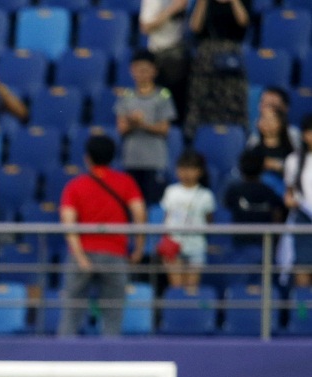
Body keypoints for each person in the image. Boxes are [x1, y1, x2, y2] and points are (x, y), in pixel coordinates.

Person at [58, 135, 146, 336]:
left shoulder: (75, 186)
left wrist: (80, 257)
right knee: (113, 314)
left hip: (82, 254)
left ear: (87, 158)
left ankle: (63, 358)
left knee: (71, 313)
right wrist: (139, 248)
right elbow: (139, 213)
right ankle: (111, 359)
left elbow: (68, 223)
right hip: (115, 255)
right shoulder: (126, 182)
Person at [114, 51, 176, 206]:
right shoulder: (126, 96)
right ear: (131, 70)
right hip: (131, 160)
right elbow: (121, 128)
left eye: (146, 70)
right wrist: (132, 121)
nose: (142, 74)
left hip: (154, 161)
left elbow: (164, 129)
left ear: (154, 71)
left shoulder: (162, 96)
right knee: (133, 203)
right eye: (138, 70)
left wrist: (142, 124)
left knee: (153, 203)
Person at [186, 0, 250, 134]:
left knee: (232, 101)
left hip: (232, 56)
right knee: (202, 100)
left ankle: (235, 136)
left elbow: (243, 21)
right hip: (207, 58)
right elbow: (195, 27)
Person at [161, 150, 214, 294]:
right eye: (183, 168)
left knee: (192, 290)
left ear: (200, 171)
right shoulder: (171, 191)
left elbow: (209, 219)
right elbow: (166, 217)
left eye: (191, 168)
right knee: (176, 288)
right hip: (174, 244)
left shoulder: (206, 195)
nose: (186, 173)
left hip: (196, 245)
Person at [222, 150, 284, 262]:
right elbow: (277, 215)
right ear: (262, 168)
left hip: (244, 242)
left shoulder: (234, 191)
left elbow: (226, 210)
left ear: (241, 167)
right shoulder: (269, 191)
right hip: (263, 243)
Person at [139, 0, 190, 114]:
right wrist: (172, 10)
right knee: (163, 101)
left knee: (180, 104)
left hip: (181, 55)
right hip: (160, 55)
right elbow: (145, 27)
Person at [284, 122, 312, 286]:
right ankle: (302, 311)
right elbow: (289, 192)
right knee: (302, 266)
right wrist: (290, 201)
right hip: (303, 218)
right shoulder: (293, 160)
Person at [245, 99, 292, 192]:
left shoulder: (289, 152)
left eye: (271, 119)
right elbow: (246, 170)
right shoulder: (253, 151)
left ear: (281, 123)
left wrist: (278, 166)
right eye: (263, 118)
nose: (267, 122)